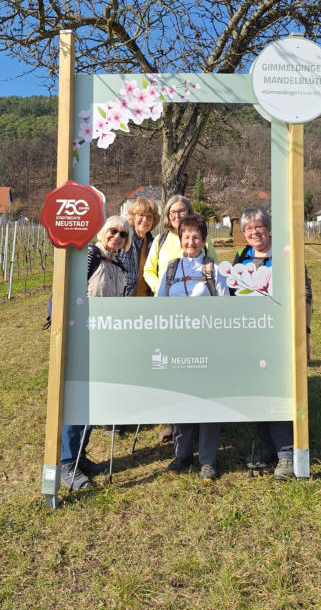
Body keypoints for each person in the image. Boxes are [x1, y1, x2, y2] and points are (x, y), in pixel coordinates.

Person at [232, 206, 312, 480]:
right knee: (258, 392)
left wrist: (305, 334)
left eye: (258, 226)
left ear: (268, 228)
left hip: (281, 334)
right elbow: (232, 294)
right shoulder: (242, 257)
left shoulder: (287, 254)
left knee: (279, 392)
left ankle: (286, 454)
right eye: (248, 229)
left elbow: (304, 293)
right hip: (250, 336)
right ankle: (265, 447)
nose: (254, 232)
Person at [60, 215, 132, 490]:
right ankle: (66, 462)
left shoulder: (120, 264)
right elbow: (72, 292)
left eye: (123, 234)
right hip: (84, 338)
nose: (117, 237)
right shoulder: (91, 255)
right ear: (103, 231)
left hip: (106, 340)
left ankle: (80, 455)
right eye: (113, 231)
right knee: (78, 400)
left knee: (92, 401)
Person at [157, 214, 227, 482]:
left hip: (207, 343)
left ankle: (207, 460)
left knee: (209, 399)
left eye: (196, 237)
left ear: (204, 240)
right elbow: (160, 304)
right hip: (177, 344)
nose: (191, 242)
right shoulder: (171, 269)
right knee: (181, 398)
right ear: (180, 239)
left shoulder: (213, 269)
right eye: (186, 237)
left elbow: (224, 306)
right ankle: (182, 453)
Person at [144, 195, 217, 444]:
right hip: (171, 314)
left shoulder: (202, 242)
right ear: (168, 216)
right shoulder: (161, 240)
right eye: (173, 212)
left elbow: (214, 269)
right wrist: (161, 290)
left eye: (182, 211)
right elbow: (150, 270)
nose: (177, 215)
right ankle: (173, 426)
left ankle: (200, 426)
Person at [118, 197, 160, 297]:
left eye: (149, 216)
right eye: (141, 215)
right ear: (133, 217)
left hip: (147, 299)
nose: (145, 220)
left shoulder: (154, 243)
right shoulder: (123, 239)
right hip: (125, 298)